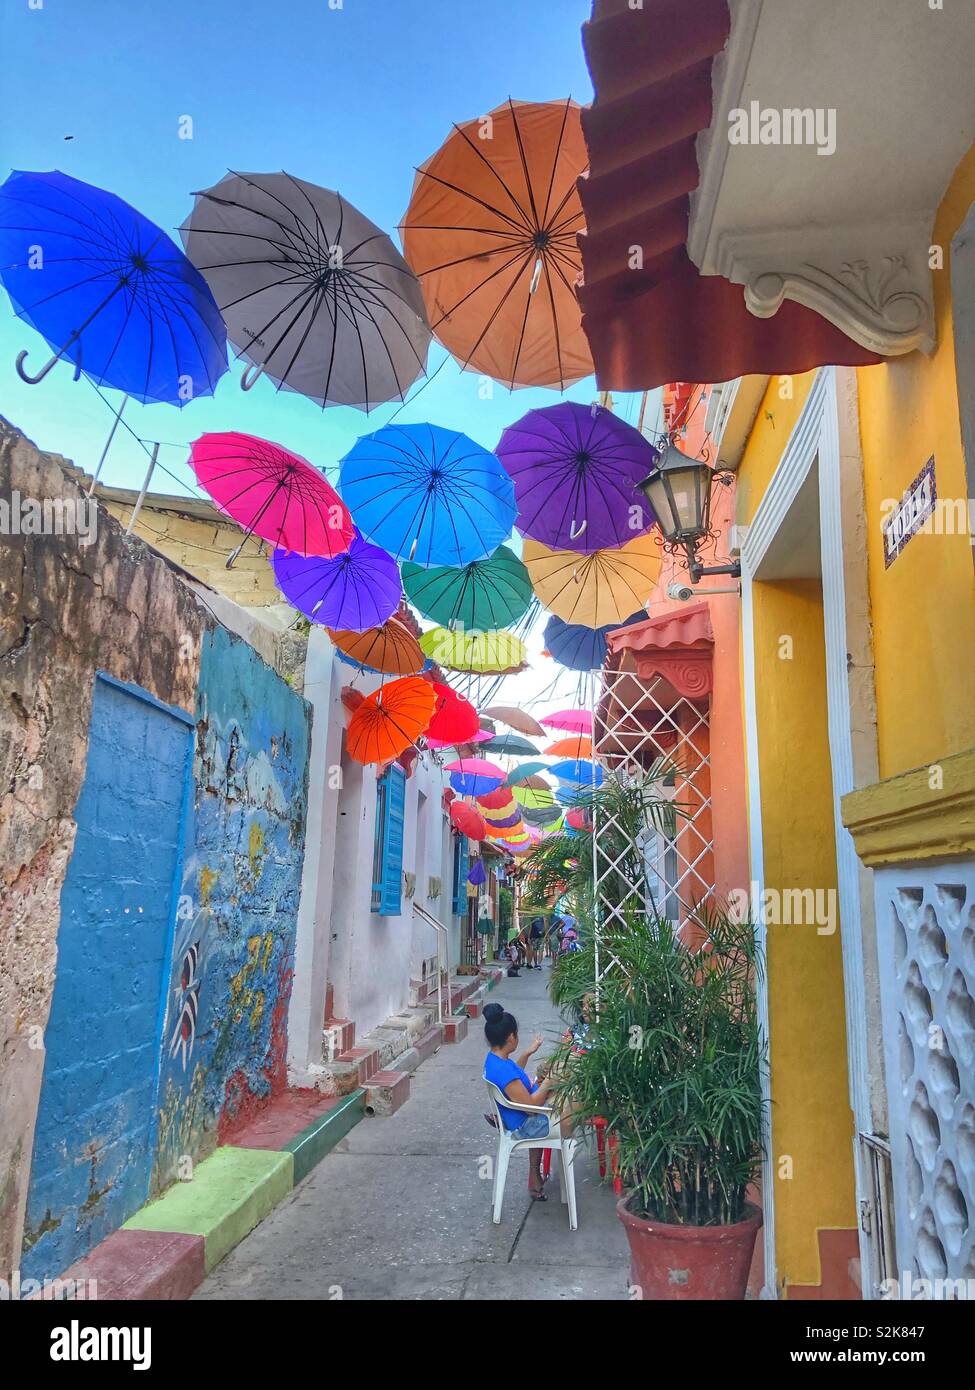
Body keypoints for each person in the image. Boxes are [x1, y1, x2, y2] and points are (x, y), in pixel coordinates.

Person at [482, 1003, 571, 1199]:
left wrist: (526, 1054)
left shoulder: (495, 1060)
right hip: (525, 1126)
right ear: (511, 1037)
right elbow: (531, 1108)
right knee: (574, 1106)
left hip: (521, 1118)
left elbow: (515, 1078)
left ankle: (535, 1176)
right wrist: (550, 1079)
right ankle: (565, 1186)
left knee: (557, 1090)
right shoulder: (503, 1070)